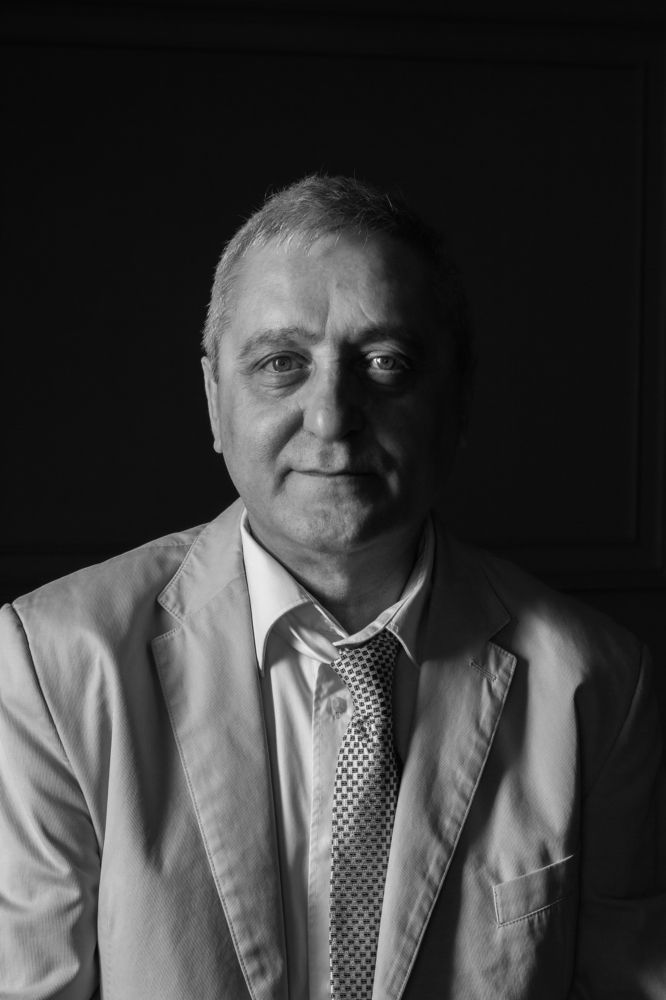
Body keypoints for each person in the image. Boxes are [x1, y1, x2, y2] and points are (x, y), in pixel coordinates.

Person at [0, 175, 664, 1000]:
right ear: (213, 398)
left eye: (385, 363)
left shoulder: (600, 685)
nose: (331, 417)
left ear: (457, 399)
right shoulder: (54, 663)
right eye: (282, 364)